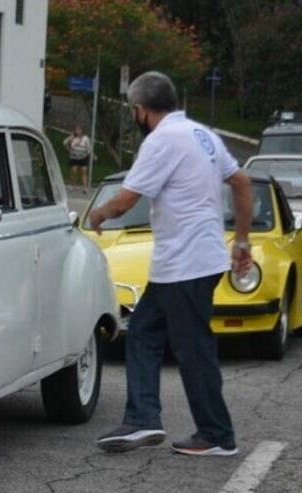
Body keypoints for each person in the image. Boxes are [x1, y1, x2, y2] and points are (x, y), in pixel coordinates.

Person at [88, 71, 253, 457]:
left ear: (140, 110)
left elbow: (127, 200)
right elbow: (242, 183)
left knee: (193, 348)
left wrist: (97, 215)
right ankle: (142, 418)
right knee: (143, 331)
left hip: (186, 263)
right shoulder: (204, 134)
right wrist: (242, 241)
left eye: (134, 112)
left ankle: (217, 435)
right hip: (192, 260)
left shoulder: (161, 140)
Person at [63, 125, 92, 191]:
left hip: (83, 157)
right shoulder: (72, 137)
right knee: (73, 171)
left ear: (82, 131)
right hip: (74, 157)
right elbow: (64, 143)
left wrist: (90, 155)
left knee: (83, 172)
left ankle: (85, 187)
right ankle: (73, 185)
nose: (78, 131)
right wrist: (69, 149)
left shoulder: (85, 138)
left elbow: (88, 148)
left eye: (79, 130)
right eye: (77, 130)